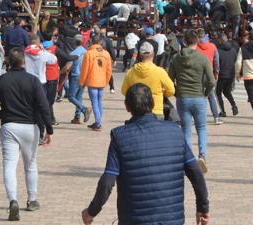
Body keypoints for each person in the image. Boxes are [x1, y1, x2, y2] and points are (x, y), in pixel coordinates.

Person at [81, 84, 209, 225]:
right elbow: (196, 173)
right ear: (152, 103)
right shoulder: (175, 132)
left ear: (127, 106)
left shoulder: (120, 137)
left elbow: (107, 182)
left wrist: (91, 211)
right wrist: (203, 208)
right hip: (172, 219)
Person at [0, 48, 54, 220]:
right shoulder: (33, 80)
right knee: (30, 165)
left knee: (9, 165)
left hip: (9, 127)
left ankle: (13, 200)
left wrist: (2, 115)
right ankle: (32, 200)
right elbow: (43, 106)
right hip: (31, 127)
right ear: (23, 62)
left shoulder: (1, 80)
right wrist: (49, 129)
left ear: (8, 62)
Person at [168, 29, 215, 172]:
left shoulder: (175, 58)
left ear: (184, 42)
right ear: (197, 42)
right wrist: (205, 93)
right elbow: (211, 81)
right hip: (199, 97)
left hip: (183, 98)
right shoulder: (202, 59)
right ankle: (202, 155)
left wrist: (177, 92)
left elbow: (170, 80)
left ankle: (187, 159)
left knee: (186, 130)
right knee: (201, 128)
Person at [121, 42, 175, 120]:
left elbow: (124, 91)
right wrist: (162, 93)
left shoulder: (130, 72)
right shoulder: (160, 71)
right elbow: (171, 91)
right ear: (153, 54)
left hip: (137, 111)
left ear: (140, 55)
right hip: (157, 110)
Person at [79, 34, 113, 132]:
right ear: (101, 42)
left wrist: (82, 82)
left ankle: (98, 123)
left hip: (92, 81)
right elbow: (109, 70)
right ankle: (97, 122)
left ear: (91, 42)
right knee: (99, 102)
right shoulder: (106, 54)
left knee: (95, 103)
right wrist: (106, 81)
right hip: (102, 82)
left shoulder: (89, 53)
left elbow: (84, 70)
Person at [195, 29, 223, 125]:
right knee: (211, 96)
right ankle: (216, 117)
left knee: (199, 96)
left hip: (198, 74)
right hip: (209, 73)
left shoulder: (195, 48)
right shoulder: (213, 46)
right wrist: (216, 73)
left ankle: (198, 118)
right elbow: (216, 62)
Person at [67, 35, 91, 124]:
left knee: (71, 96)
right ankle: (77, 117)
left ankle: (84, 109)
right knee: (78, 96)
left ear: (74, 42)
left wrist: (61, 72)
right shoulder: (87, 52)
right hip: (84, 76)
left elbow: (68, 66)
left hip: (75, 76)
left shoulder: (73, 53)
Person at [215, 32, 239, 117]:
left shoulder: (218, 51)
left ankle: (223, 111)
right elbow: (236, 61)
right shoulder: (233, 50)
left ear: (220, 40)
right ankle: (233, 105)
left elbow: (216, 64)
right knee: (227, 91)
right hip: (231, 74)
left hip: (222, 74)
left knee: (218, 92)